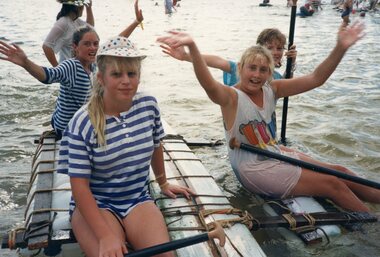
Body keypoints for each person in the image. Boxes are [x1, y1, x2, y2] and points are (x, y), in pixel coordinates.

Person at [157, 21, 380, 212]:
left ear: (269, 72)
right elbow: (207, 82)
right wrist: (192, 49)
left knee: (339, 171)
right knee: (333, 184)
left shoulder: (272, 88)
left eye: (263, 70)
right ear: (240, 68)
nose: (256, 75)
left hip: (272, 151)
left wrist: (340, 48)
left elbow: (316, 79)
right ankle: (373, 224)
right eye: (251, 68)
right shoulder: (230, 97)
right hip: (252, 168)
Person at [57, 36, 194, 257]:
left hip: (137, 198)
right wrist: (105, 236)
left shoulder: (148, 105)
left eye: (132, 74)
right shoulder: (82, 122)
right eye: (116, 74)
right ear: (100, 78)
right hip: (96, 203)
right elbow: (80, 188)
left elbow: (156, 143)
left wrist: (163, 182)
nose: (126, 81)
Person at [0, 0, 145, 139]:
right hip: (68, 128)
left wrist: (136, 22)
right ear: (75, 47)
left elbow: (115, 44)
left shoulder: (94, 64)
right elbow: (47, 76)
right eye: (87, 44)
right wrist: (25, 62)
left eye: (95, 44)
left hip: (85, 121)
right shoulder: (71, 66)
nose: (93, 48)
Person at [160, 28, 297, 140]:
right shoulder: (239, 69)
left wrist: (292, 63)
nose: (275, 52)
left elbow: (288, 86)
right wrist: (186, 56)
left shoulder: (277, 78)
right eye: (270, 48)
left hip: (266, 132)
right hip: (241, 133)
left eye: (279, 48)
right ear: (259, 49)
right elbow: (218, 61)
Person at [43, 0, 95, 67]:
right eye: (82, 5)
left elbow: (90, 28)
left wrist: (89, 8)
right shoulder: (63, 22)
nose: (83, 8)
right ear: (75, 7)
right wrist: (58, 68)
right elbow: (46, 46)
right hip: (66, 68)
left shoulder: (75, 21)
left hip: (76, 67)